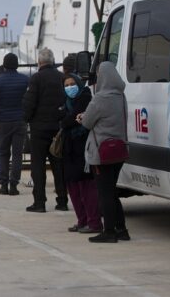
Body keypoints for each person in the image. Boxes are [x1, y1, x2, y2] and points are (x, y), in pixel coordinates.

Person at [78, 62, 130, 243]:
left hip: (102, 152)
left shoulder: (100, 98)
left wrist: (82, 117)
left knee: (104, 193)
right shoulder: (120, 96)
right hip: (119, 150)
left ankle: (109, 232)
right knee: (112, 191)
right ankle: (121, 229)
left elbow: (87, 123)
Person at [23, 48, 68, 213]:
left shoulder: (36, 78)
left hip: (39, 129)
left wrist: (26, 118)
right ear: (53, 60)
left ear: (39, 62)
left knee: (38, 167)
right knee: (58, 166)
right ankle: (62, 200)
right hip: (57, 129)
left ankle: (40, 202)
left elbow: (29, 103)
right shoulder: (61, 77)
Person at [61, 74, 101, 234]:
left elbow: (71, 121)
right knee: (73, 186)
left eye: (72, 84)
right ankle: (82, 220)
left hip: (83, 148)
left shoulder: (85, 98)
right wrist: (68, 120)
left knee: (87, 187)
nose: (70, 87)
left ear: (79, 84)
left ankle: (94, 222)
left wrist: (67, 121)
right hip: (69, 149)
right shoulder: (65, 102)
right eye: (66, 85)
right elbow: (65, 120)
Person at [0, 53, 29, 196]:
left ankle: (3, 184)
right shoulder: (25, 80)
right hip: (20, 121)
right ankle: (14, 185)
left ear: (4, 65)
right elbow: (29, 101)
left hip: (3, 122)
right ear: (17, 64)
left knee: (3, 153)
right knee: (17, 155)